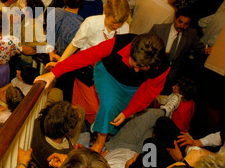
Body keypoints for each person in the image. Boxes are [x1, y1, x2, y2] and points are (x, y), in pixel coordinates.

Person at [36, 33, 170, 153]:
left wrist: (128, 111)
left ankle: (106, 133)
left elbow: (149, 93)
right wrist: (54, 73)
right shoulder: (119, 43)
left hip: (133, 88)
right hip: (108, 75)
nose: (136, 71)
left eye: (141, 68)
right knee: (109, 105)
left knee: (119, 114)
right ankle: (99, 143)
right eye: (134, 65)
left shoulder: (162, 66)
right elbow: (85, 56)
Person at [51, 0, 130, 108]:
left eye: (120, 24)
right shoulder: (91, 23)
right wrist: (59, 66)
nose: (116, 26)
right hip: (87, 72)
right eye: (113, 22)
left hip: (108, 74)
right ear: (106, 14)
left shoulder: (125, 28)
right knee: (94, 106)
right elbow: (74, 45)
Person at [150, 8, 205, 92]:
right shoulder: (158, 29)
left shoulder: (192, 33)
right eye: (180, 22)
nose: (182, 26)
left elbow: (200, 49)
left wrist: (208, 50)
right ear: (175, 19)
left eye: (186, 24)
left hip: (172, 76)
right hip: (153, 72)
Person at [29, 101, 84, 168]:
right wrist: (76, 154)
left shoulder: (37, 123)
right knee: (82, 110)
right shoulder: (63, 158)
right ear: (68, 130)